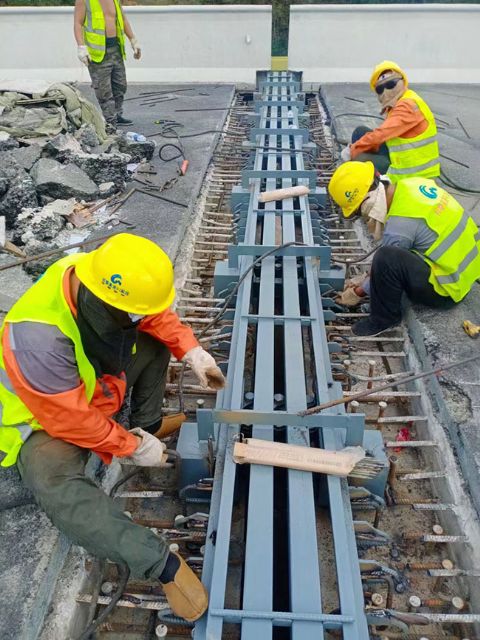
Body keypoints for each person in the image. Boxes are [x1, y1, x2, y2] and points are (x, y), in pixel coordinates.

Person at [0, 233, 226, 622]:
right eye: (131, 315)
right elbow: (70, 420)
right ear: (105, 302)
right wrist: (129, 447)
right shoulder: (37, 338)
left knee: (156, 342)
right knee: (54, 484)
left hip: (88, 393)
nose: (138, 319)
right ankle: (159, 564)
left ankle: (148, 425)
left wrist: (191, 350)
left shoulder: (97, 277)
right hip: (42, 423)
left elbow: (151, 315)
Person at [328, 161, 480, 337]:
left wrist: (357, 292)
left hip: (447, 290)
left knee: (386, 257)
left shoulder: (399, 227)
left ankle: (384, 319)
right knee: (389, 256)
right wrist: (365, 278)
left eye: (357, 212)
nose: (362, 217)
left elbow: (387, 264)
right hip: (465, 275)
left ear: (367, 201)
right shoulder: (409, 185)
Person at [340, 61, 440, 182]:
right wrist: (361, 147)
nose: (386, 91)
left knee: (359, 160)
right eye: (380, 88)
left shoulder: (407, 106)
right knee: (360, 132)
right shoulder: (404, 97)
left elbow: (381, 134)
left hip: (410, 173)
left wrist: (352, 150)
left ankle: (371, 186)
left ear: (401, 80)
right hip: (400, 157)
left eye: (391, 84)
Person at [74, 0, 141, 132]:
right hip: (98, 54)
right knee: (104, 91)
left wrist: (133, 40)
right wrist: (81, 47)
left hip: (115, 49)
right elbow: (78, 23)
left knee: (120, 86)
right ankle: (110, 122)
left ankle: (117, 114)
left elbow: (122, 19)